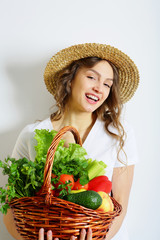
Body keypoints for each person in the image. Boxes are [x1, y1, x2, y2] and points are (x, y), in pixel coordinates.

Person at [3, 43, 139, 240]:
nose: (98, 88)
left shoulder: (118, 133)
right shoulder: (31, 134)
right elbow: (10, 207)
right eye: (91, 77)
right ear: (71, 78)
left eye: (107, 84)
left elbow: (120, 205)